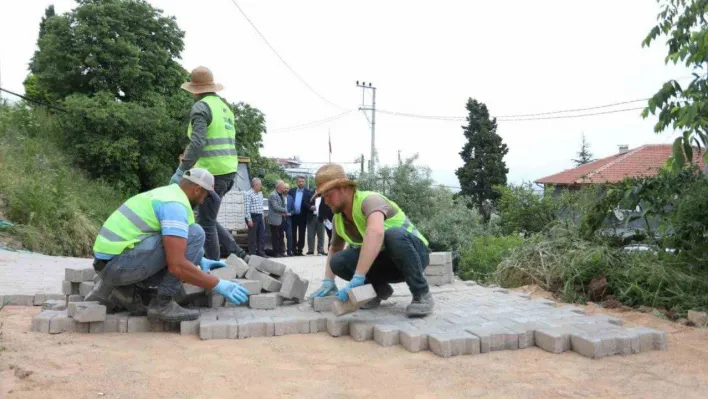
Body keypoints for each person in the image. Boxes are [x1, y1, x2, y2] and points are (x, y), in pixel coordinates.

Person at [89, 168, 250, 322]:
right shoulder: (175, 205)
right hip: (117, 267)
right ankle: (162, 303)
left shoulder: (167, 194)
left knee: (192, 241)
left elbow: (172, 242)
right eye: (205, 196)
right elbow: (177, 266)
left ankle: (127, 291)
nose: (202, 202)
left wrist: (200, 258)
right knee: (196, 233)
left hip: (109, 264)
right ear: (197, 189)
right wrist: (217, 283)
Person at [309, 164, 434, 317]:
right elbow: (335, 248)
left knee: (392, 234)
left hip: (415, 256)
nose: (325, 201)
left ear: (343, 187)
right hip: (389, 264)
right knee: (338, 261)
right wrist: (328, 281)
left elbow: (375, 232)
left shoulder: (370, 201)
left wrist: (358, 278)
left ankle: (422, 293)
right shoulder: (338, 220)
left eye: (328, 194)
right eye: (322, 196)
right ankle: (378, 290)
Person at [170, 66, 248, 263]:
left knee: (205, 222)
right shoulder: (224, 108)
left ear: (195, 90)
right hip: (229, 171)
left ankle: (214, 266)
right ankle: (237, 252)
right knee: (208, 218)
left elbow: (197, 143)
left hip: (211, 173)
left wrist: (182, 169)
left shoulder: (201, 107)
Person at [288, 176, 315, 256]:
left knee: (301, 233)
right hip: (293, 215)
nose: (301, 183)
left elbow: (310, 203)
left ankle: (300, 250)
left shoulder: (308, 192)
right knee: (293, 233)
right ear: (297, 182)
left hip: (303, 216)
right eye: (299, 181)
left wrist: (311, 207)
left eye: (302, 181)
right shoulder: (291, 191)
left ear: (305, 182)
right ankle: (293, 249)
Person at [245, 177, 266, 256]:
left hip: (259, 216)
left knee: (261, 235)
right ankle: (252, 253)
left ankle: (261, 252)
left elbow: (261, 207)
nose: (261, 186)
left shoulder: (260, 194)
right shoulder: (248, 194)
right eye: (260, 185)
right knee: (252, 236)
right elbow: (247, 208)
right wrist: (249, 219)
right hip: (252, 216)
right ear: (255, 185)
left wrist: (262, 217)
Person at [267, 180, 288, 258]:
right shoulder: (273, 195)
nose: (285, 187)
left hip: (281, 219)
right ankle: (276, 253)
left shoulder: (281, 194)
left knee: (281, 236)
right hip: (274, 220)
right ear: (279, 187)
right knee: (275, 237)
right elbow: (275, 207)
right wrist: (285, 210)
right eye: (283, 186)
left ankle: (281, 251)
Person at [284, 184, 295, 256]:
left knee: (289, 236)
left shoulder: (291, 198)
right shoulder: (278, 197)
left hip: (288, 219)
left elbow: (294, 210)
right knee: (279, 236)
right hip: (280, 219)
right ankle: (281, 251)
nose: (286, 190)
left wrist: (290, 214)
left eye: (287, 188)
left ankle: (289, 251)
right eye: (285, 188)